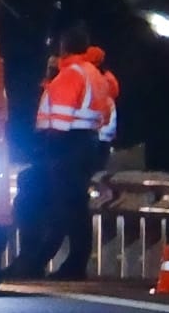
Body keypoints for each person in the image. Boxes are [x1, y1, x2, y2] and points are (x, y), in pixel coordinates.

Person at [25, 26, 116, 277]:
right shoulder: (92, 73)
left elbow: (61, 119)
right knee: (73, 205)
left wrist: (49, 147)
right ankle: (60, 262)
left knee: (67, 205)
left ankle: (67, 264)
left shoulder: (71, 74)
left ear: (63, 47)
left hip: (66, 144)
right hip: (87, 142)